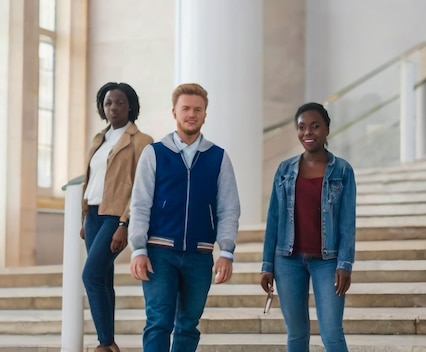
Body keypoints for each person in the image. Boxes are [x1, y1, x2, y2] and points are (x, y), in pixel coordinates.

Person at [128, 83, 241, 351]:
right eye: (186, 109)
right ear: (174, 113)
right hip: (159, 253)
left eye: (197, 109)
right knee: (158, 322)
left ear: (204, 115)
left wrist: (226, 252)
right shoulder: (154, 153)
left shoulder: (218, 157)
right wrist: (138, 249)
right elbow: (140, 203)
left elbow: (229, 208)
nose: (192, 114)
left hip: (199, 256)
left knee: (188, 326)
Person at [260, 102, 356, 352]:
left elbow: (347, 221)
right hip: (287, 261)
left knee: (332, 334)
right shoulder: (284, 170)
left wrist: (345, 264)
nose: (308, 133)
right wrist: (267, 266)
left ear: (327, 129)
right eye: (302, 127)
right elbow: (273, 219)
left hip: (328, 261)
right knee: (296, 335)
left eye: (315, 126)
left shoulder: (343, 170)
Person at [81, 82, 154, 352]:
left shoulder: (142, 141)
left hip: (116, 216)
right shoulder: (98, 138)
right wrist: (83, 216)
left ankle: (105, 344)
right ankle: (109, 342)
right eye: (108, 102)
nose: (113, 108)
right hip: (93, 214)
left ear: (131, 106)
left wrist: (124, 223)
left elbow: (140, 186)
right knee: (102, 278)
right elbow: (93, 178)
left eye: (120, 102)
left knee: (90, 275)